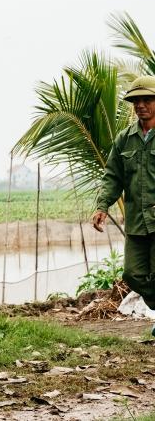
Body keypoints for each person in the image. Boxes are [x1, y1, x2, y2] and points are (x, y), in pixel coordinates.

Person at [92, 75, 155, 337]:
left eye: (147, 99)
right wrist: (102, 205)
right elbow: (112, 176)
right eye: (136, 100)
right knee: (133, 274)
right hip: (138, 222)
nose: (141, 105)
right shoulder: (124, 139)